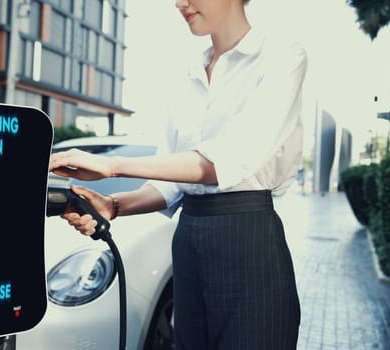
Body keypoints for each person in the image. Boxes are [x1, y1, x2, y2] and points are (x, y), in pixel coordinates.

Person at [49, 0, 308, 348]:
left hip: (248, 236)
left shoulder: (281, 55)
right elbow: (173, 180)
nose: (179, 3)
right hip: (187, 240)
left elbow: (227, 161)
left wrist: (112, 166)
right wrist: (113, 204)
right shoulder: (188, 73)